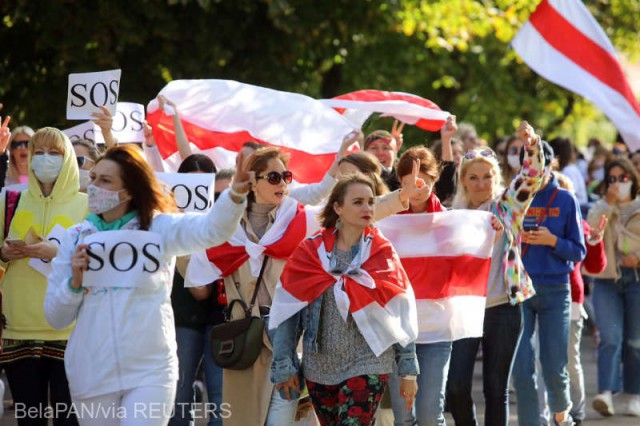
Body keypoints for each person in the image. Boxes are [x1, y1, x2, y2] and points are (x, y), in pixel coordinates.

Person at [43, 145, 250, 425]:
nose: (94, 186)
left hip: (150, 371)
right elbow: (56, 317)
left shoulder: (160, 229)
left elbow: (212, 229)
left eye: (105, 181)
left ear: (128, 191)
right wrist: (75, 282)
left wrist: (235, 194)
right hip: (92, 372)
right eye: (94, 178)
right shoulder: (75, 238)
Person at [270, 173, 420, 425]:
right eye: (358, 202)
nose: (367, 208)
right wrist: (284, 363)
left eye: (371, 201)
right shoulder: (309, 252)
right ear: (337, 207)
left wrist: (408, 369)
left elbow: (400, 311)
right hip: (319, 365)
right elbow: (288, 311)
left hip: (369, 360)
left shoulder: (382, 252)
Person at [445, 121, 545, 425]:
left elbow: (531, 177)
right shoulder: (451, 215)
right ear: (463, 181)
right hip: (464, 310)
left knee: (495, 388)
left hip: (503, 307)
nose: (481, 183)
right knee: (456, 387)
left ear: (495, 178)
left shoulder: (507, 206)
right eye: (473, 178)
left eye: (487, 176)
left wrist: (532, 145)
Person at [0, 127, 88, 425]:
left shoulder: (87, 205)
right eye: (38, 152)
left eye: (54, 153)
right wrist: (3, 253)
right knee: (29, 419)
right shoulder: (10, 201)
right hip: (19, 326)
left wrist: (56, 252)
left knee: (69, 418)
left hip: (70, 329)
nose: (44, 159)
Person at [512, 141, 586, 426]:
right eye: (527, 164)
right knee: (521, 368)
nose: (534, 170)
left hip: (556, 290)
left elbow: (579, 251)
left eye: (539, 163)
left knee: (555, 366)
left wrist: (552, 240)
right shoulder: (514, 197)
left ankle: (561, 414)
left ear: (551, 164)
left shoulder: (566, 199)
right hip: (520, 288)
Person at [169, 154, 224, 426]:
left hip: (221, 321)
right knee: (179, 396)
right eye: (186, 188)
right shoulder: (168, 222)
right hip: (182, 318)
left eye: (201, 188)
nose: (193, 196)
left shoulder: (225, 223)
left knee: (221, 400)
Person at [586, 157, 640, 417]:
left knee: (635, 341)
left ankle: (633, 394)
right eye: (612, 179)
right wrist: (607, 203)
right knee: (610, 338)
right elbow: (591, 232)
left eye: (623, 178)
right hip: (607, 280)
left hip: (636, 280)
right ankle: (605, 392)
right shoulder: (600, 206)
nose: (618, 184)